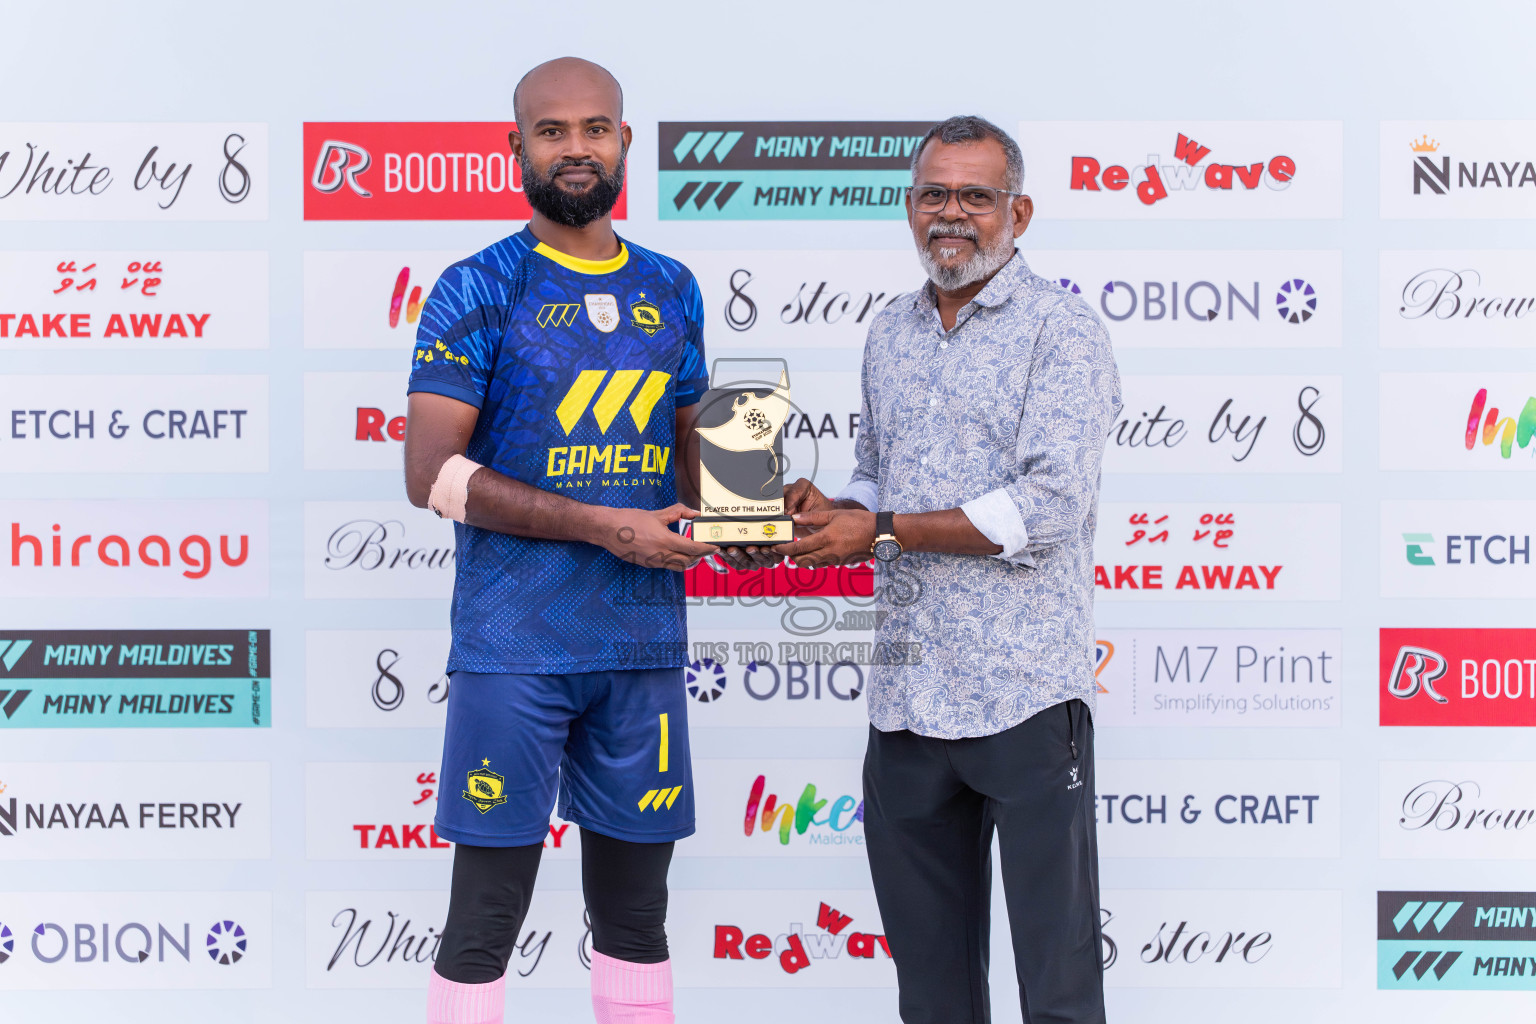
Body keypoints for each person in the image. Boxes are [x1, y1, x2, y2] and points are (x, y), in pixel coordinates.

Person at [722, 115, 1121, 1023]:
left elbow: (1047, 509)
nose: (953, 215)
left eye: (976, 197)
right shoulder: (888, 331)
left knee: (1058, 991)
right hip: (904, 700)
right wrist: (835, 508)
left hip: (1022, 695)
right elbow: (877, 474)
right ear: (910, 209)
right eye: (934, 195)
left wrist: (884, 528)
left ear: (1019, 212)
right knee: (930, 996)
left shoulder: (1063, 331)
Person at [402, 56, 718, 1024]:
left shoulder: (674, 285)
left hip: (639, 643)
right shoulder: (476, 286)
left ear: (625, 142)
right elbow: (433, 476)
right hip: (515, 646)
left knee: (637, 917)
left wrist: (744, 511)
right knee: (484, 916)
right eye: (551, 131)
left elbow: (693, 465)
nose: (574, 147)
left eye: (594, 128)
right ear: (517, 148)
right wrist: (602, 525)